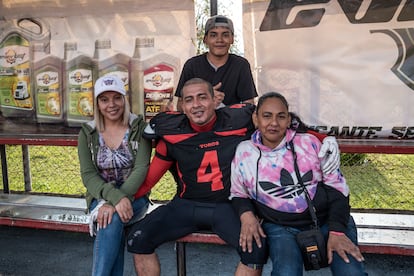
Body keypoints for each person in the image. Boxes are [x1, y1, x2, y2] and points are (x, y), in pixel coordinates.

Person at [127, 78, 340, 275]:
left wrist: (324, 138)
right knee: (139, 238)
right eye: (189, 100)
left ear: (215, 100)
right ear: (182, 106)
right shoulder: (171, 133)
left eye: (202, 97)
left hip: (227, 206)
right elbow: (148, 180)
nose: (196, 105)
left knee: (255, 249)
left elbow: (282, 122)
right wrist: (118, 200)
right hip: (186, 204)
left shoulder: (240, 120)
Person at [230, 92, 367, 276]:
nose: (274, 123)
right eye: (266, 116)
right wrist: (246, 216)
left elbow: (338, 188)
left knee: (351, 272)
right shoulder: (244, 152)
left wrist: (337, 232)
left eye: (281, 116)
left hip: (327, 220)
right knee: (286, 272)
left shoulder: (309, 143)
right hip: (280, 226)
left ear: (288, 120)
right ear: (256, 118)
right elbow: (239, 194)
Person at [77, 75, 152, 276]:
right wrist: (115, 198)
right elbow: (88, 174)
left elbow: (141, 168)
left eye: (116, 97)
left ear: (124, 99)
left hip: (135, 197)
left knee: (111, 218)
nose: (111, 104)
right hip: (100, 199)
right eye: (104, 99)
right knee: (112, 219)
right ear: (97, 103)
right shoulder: (87, 132)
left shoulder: (139, 128)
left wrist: (120, 199)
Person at [175, 15, 257, 110]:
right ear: (205, 39)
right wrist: (205, 97)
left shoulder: (240, 65)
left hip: (231, 121)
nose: (219, 40)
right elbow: (180, 106)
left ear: (232, 39)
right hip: (198, 122)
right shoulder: (192, 65)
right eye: (213, 35)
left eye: (225, 35)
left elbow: (249, 105)